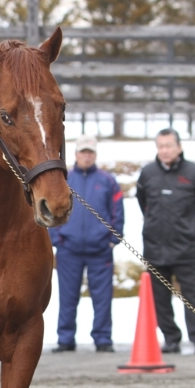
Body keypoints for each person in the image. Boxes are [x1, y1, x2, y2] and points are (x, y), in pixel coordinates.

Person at [136, 128, 195, 354]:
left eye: (169, 145)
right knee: (160, 298)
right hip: (155, 246)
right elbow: (142, 203)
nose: (165, 150)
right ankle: (171, 338)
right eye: (161, 146)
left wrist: (192, 228)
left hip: (186, 247)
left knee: (192, 296)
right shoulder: (148, 173)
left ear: (179, 147)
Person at [49, 134, 124, 353]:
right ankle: (65, 338)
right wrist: (57, 239)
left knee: (102, 298)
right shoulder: (65, 180)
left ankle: (102, 338)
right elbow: (53, 210)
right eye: (83, 152)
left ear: (95, 155)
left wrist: (113, 240)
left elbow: (117, 212)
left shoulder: (107, 181)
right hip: (69, 250)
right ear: (76, 154)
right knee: (67, 296)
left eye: (90, 152)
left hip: (100, 250)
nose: (86, 156)